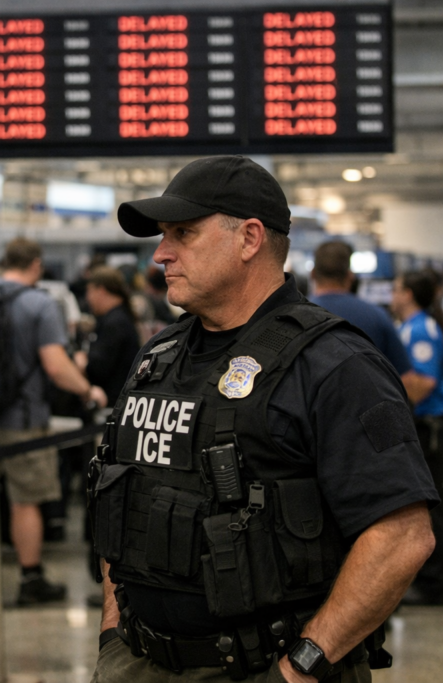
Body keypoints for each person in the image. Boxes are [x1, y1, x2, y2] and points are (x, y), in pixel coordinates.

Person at [89, 155, 437, 683]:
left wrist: (299, 668)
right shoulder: (158, 356)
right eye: (163, 235)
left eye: (183, 233)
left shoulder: (336, 363)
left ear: (250, 239)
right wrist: (114, 637)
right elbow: (125, 499)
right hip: (137, 663)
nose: (161, 254)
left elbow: (402, 536)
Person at [0, 237, 106, 605]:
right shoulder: (39, 304)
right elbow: (55, 366)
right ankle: (30, 575)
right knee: (27, 500)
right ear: (35, 265)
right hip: (23, 416)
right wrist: (88, 391)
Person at [308, 241, 425, 397]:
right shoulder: (377, 316)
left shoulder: (291, 316)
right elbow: (407, 382)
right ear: (350, 276)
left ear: (313, 274)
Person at [392, 270, 443, 604]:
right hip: (420, 424)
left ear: (408, 294)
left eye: (396, 289)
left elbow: (424, 381)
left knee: (431, 505)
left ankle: (432, 583)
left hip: (428, 426)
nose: (391, 296)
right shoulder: (410, 328)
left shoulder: (421, 330)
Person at [79, 266, 142, 404]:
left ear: (100, 290)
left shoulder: (115, 323)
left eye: (89, 291)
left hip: (112, 403)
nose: (87, 298)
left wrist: (82, 362)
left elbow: (98, 370)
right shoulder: (120, 317)